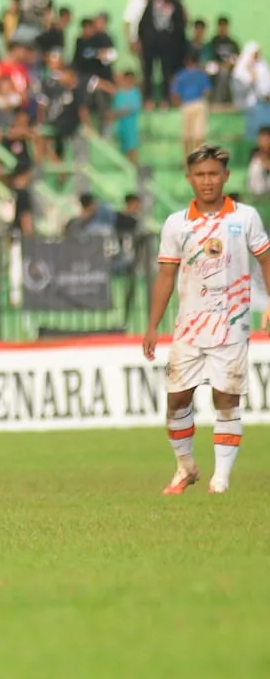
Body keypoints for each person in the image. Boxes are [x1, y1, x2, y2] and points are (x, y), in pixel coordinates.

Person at [143, 145, 270, 495]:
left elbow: (266, 260)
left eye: (214, 173)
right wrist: (153, 325)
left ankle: (221, 480)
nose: (207, 180)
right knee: (177, 400)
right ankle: (186, 467)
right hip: (189, 328)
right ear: (189, 179)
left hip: (232, 324)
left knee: (226, 399)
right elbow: (166, 275)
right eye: (200, 175)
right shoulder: (176, 224)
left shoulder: (244, 217)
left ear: (226, 177)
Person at [173, 51, 213, 157]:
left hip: (186, 104)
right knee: (199, 135)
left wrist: (179, 104)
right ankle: (198, 159)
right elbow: (207, 91)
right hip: (199, 103)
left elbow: (175, 93)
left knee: (186, 136)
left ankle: (186, 161)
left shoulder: (181, 75)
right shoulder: (202, 74)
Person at [232, 43, 270, 146]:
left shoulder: (263, 67)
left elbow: (266, 85)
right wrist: (250, 79)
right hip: (248, 106)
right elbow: (238, 87)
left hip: (264, 104)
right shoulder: (240, 70)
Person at [111, 70, 144, 165]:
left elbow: (136, 107)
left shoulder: (136, 92)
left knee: (132, 145)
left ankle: (132, 165)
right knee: (123, 145)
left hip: (132, 123)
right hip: (121, 123)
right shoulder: (119, 93)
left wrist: (124, 111)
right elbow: (116, 108)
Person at [248, 127, 270, 199]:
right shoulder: (255, 153)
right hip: (258, 190)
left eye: (266, 139)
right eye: (261, 139)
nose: (263, 142)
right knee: (256, 166)